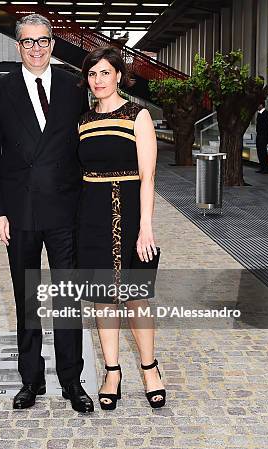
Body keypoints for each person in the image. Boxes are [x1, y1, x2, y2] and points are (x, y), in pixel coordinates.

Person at [0, 13, 93, 413]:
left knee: (67, 299)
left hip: (66, 208)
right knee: (26, 298)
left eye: (43, 40)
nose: (37, 48)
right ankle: (31, 380)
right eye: (28, 42)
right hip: (19, 211)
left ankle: (71, 381)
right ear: (17, 46)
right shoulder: (0, 90)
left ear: (53, 43)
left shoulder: (73, 85)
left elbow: (86, 146)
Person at [77, 46, 166, 410]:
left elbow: (148, 176)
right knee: (102, 297)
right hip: (92, 215)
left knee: (136, 296)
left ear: (118, 75)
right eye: (92, 74)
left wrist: (146, 227)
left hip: (131, 215)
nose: (98, 80)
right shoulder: (82, 121)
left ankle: (150, 369)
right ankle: (112, 371)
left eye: (105, 73)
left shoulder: (137, 116)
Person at [256, 102, 268, 174]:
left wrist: (266, 136)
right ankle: (262, 167)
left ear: (261, 105)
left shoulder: (266, 113)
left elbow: (267, 126)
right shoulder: (259, 113)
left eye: (258, 104)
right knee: (259, 151)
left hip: (263, 136)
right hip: (259, 135)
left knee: (263, 152)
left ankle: (266, 168)